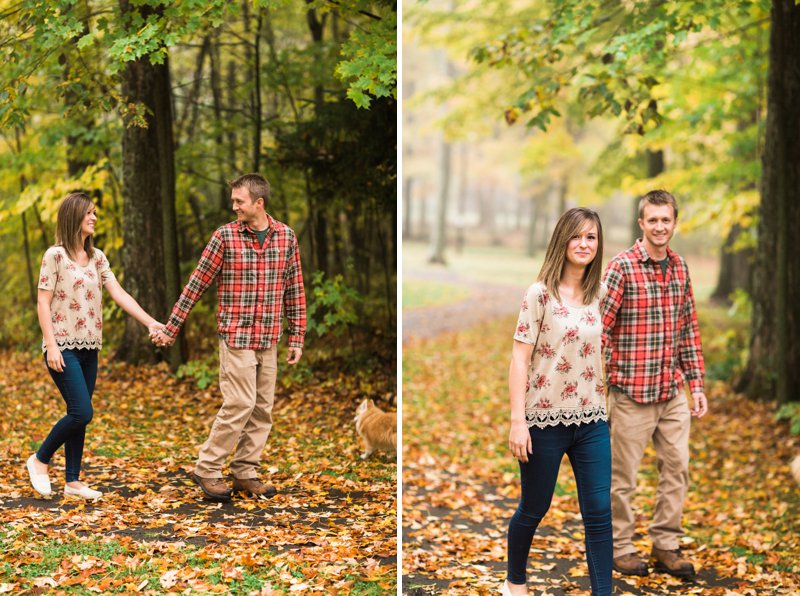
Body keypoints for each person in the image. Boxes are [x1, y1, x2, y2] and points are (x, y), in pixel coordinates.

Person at [152, 173, 306, 502]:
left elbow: (294, 288)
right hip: (236, 335)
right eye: (233, 200)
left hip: (269, 337)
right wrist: (171, 327)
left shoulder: (286, 238)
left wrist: (297, 336)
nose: (233, 205)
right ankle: (207, 468)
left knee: (263, 408)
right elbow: (196, 284)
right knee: (240, 402)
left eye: (239, 201)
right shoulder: (225, 237)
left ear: (259, 203)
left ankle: (245, 472)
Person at [503, 208, 612, 596]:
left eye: (592, 237)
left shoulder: (600, 294)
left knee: (599, 511)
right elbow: (520, 358)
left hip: (592, 420)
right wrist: (519, 421)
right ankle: (515, 582)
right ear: (562, 240)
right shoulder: (539, 294)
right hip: (544, 421)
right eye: (577, 236)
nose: (584, 244)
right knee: (534, 509)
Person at [27, 192, 164, 500]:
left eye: (95, 214)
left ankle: (73, 482)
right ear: (74, 216)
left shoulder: (98, 257)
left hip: (90, 346)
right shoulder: (55, 256)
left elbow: (120, 294)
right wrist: (51, 346)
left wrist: (151, 323)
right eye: (89, 213)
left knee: (79, 412)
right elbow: (43, 301)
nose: (94, 218)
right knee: (81, 411)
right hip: (63, 345)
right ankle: (39, 459)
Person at [600, 189, 707, 578]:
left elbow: (688, 329)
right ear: (641, 223)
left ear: (674, 223)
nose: (660, 226)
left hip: (672, 391)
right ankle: (622, 547)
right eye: (653, 220)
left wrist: (696, 384)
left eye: (667, 220)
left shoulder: (680, 267)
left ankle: (665, 543)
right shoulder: (622, 267)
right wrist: (606, 379)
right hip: (632, 394)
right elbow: (600, 329)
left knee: (677, 468)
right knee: (623, 478)